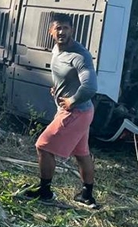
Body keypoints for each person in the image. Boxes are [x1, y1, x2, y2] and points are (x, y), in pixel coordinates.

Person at [19, 12, 100, 209]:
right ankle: (87, 196)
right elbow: (65, 76)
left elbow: (90, 87)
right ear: (51, 31)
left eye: (66, 28)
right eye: (58, 28)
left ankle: (45, 191)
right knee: (81, 153)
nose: (62, 32)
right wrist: (59, 88)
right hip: (80, 112)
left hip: (76, 112)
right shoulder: (56, 49)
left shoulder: (80, 55)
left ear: (72, 30)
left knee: (43, 147)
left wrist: (72, 99)